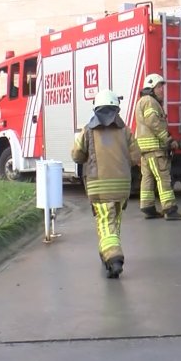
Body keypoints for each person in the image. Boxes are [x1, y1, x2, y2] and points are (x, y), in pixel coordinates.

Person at [71, 89, 140, 279]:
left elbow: (76, 156)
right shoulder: (125, 130)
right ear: (116, 109)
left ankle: (114, 258)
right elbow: (135, 157)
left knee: (104, 222)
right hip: (122, 186)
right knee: (114, 220)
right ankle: (108, 256)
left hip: (98, 186)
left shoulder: (88, 130)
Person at [135, 73, 181, 221]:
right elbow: (154, 122)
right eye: (159, 87)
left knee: (148, 178)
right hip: (155, 149)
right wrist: (169, 140)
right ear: (151, 88)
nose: (161, 90)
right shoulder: (150, 102)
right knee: (163, 177)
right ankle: (170, 209)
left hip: (146, 150)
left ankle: (148, 207)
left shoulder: (143, 101)